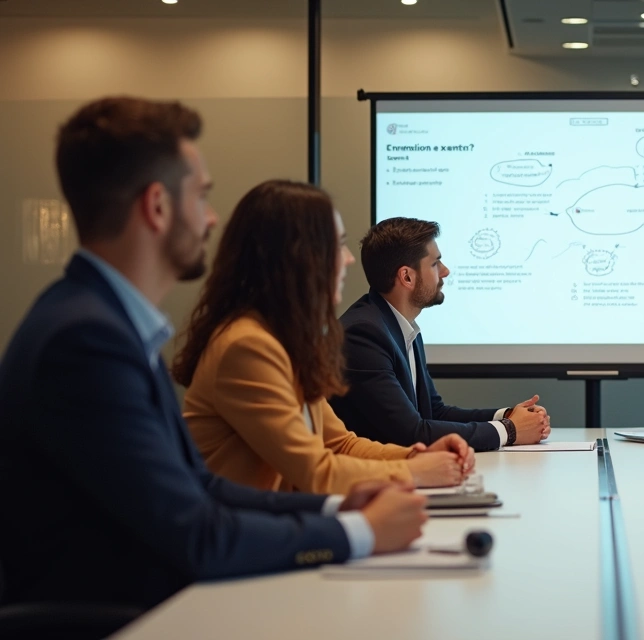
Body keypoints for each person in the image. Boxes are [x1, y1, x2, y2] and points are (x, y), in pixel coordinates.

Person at [0, 97, 426, 610]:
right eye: (200, 196)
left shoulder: (100, 321)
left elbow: (199, 487)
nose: (211, 218)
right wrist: (357, 533)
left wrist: (337, 505)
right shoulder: (88, 341)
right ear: (157, 206)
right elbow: (196, 534)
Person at [174, 181, 474, 492]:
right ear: (297, 258)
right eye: (337, 244)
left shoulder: (286, 341)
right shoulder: (247, 346)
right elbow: (315, 472)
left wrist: (416, 455)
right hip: (247, 534)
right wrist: (415, 472)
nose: (348, 259)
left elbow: (340, 444)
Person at [330, 217, 551, 452]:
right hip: (373, 481)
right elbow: (411, 433)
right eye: (436, 263)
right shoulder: (363, 334)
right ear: (407, 277)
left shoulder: (399, 324)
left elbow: (434, 412)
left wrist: (508, 416)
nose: (445, 271)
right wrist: (510, 430)